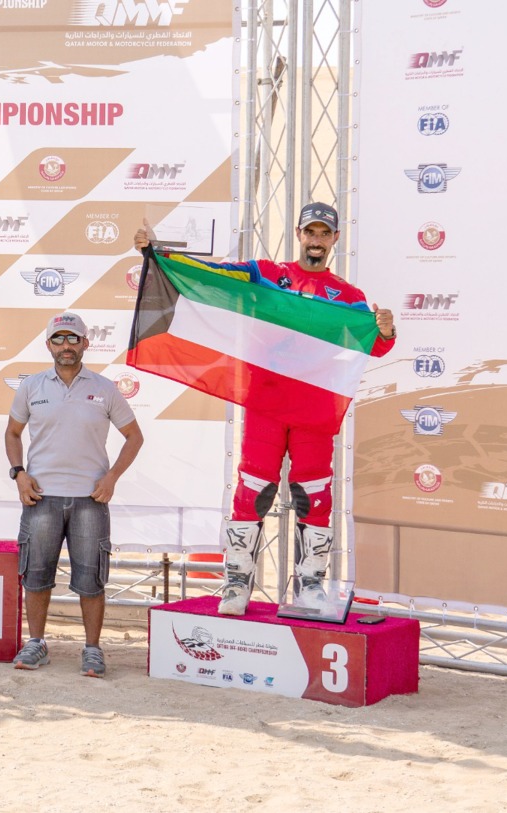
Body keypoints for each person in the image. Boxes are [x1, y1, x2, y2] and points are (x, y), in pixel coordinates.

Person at [134, 203, 395, 614]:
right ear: (299, 234)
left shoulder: (349, 297)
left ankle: (311, 586)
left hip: (313, 408)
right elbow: (213, 275)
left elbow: (375, 347)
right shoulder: (267, 274)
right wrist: (159, 255)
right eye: (310, 231)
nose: (316, 240)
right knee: (254, 487)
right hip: (266, 402)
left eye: (324, 233)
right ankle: (237, 582)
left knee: (314, 491)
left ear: (335, 239)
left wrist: (386, 329)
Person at [4, 313, 144, 677]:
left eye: (73, 339)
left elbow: (134, 437)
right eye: (58, 339)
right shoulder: (31, 386)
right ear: (48, 345)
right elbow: (12, 433)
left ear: (85, 343)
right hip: (41, 498)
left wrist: (112, 477)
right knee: (36, 575)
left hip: (90, 500)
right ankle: (36, 643)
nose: (66, 346)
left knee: (91, 579)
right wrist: (19, 474)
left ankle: (93, 649)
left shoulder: (105, 388)